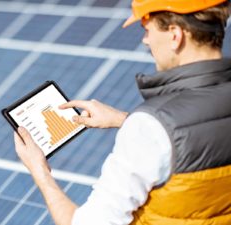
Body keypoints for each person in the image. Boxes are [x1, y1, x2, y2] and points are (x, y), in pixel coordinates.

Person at [13, 0, 231, 224]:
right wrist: (123, 120)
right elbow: (198, 135)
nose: (145, 40)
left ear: (175, 35)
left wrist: (39, 170)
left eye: (147, 30)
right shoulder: (152, 129)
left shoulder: (149, 128)